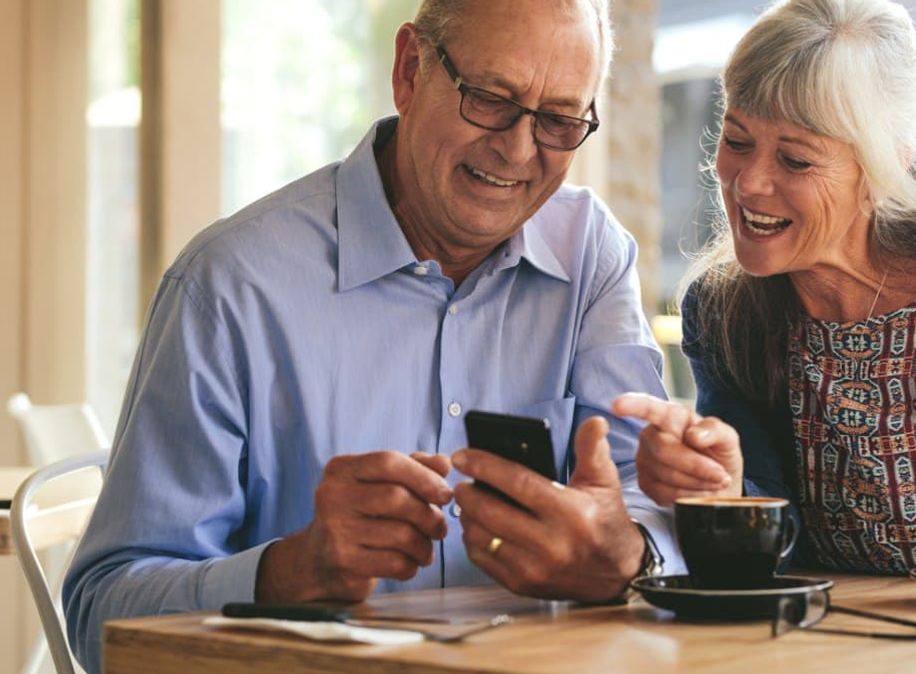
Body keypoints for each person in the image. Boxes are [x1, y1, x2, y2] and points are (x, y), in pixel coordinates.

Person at [64, 1, 682, 671]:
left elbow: (654, 517)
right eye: (489, 99)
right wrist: (285, 574)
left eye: (560, 120)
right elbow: (100, 617)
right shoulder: (230, 285)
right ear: (410, 71)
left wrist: (627, 554)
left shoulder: (592, 258)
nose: (519, 148)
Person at [614, 0, 916, 578]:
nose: (748, 183)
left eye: (796, 159)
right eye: (737, 139)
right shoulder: (724, 311)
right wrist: (723, 491)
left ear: (884, 171)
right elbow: (764, 557)